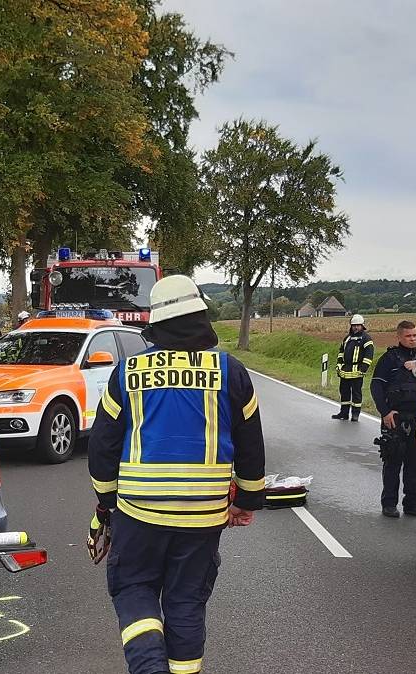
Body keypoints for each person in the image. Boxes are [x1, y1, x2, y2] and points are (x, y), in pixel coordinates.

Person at [87, 274, 267, 674]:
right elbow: (251, 443)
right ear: (201, 317)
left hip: (139, 512)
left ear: (156, 323)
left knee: (134, 588)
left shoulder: (127, 372)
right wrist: (247, 500)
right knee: (186, 600)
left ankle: (150, 667)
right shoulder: (230, 370)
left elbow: (102, 445)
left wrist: (107, 502)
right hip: (203, 515)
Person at [370, 320, 416, 518]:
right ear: (399, 336)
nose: (412, 339)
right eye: (408, 336)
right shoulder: (389, 359)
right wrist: (385, 412)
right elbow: (376, 386)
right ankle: (389, 503)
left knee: (415, 463)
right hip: (395, 418)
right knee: (393, 461)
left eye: (415, 335)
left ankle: (412, 503)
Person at [331, 314, 374, 421]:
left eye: (358, 325)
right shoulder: (347, 338)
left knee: (356, 394)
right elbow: (341, 352)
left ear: (362, 326)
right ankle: (344, 413)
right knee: (344, 392)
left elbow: (369, 355)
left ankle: (355, 414)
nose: (356, 327)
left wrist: (363, 369)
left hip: (357, 371)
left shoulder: (366, 339)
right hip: (345, 371)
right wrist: (339, 365)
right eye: (354, 325)